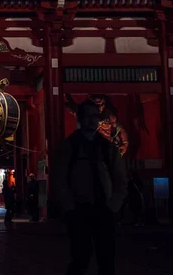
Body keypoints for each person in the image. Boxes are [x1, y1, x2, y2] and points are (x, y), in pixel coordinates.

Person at [55, 100, 127, 275]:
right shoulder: (69, 146)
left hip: (104, 208)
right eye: (88, 116)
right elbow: (60, 179)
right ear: (80, 118)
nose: (92, 120)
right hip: (80, 208)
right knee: (80, 258)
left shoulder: (108, 148)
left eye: (95, 116)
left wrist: (114, 205)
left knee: (107, 260)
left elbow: (120, 179)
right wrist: (70, 206)